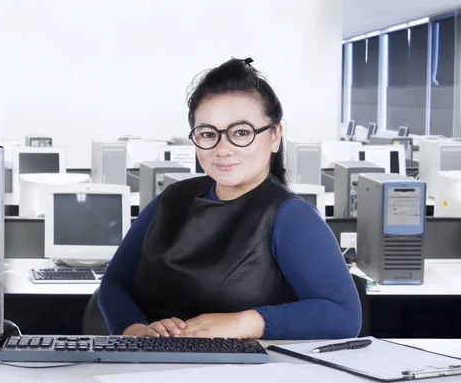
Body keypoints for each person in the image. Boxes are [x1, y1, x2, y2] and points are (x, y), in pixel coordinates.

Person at [98, 57, 362, 340]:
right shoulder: (172, 200)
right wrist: (135, 330)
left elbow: (343, 314)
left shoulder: (290, 216)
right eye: (209, 134)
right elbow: (114, 283)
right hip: (145, 365)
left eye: (241, 133)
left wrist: (247, 323)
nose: (223, 149)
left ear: (275, 135)